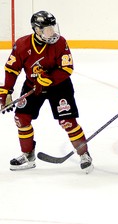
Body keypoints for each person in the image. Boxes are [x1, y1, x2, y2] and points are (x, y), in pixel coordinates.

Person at [0, 10, 93, 174]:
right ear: (36, 30)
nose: (52, 32)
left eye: (52, 27)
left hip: (60, 86)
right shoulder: (22, 45)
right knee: (21, 118)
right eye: (47, 29)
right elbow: (11, 69)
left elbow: (67, 68)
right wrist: (6, 91)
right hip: (33, 85)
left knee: (68, 122)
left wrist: (50, 78)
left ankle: (84, 154)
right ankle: (28, 155)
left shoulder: (60, 42)